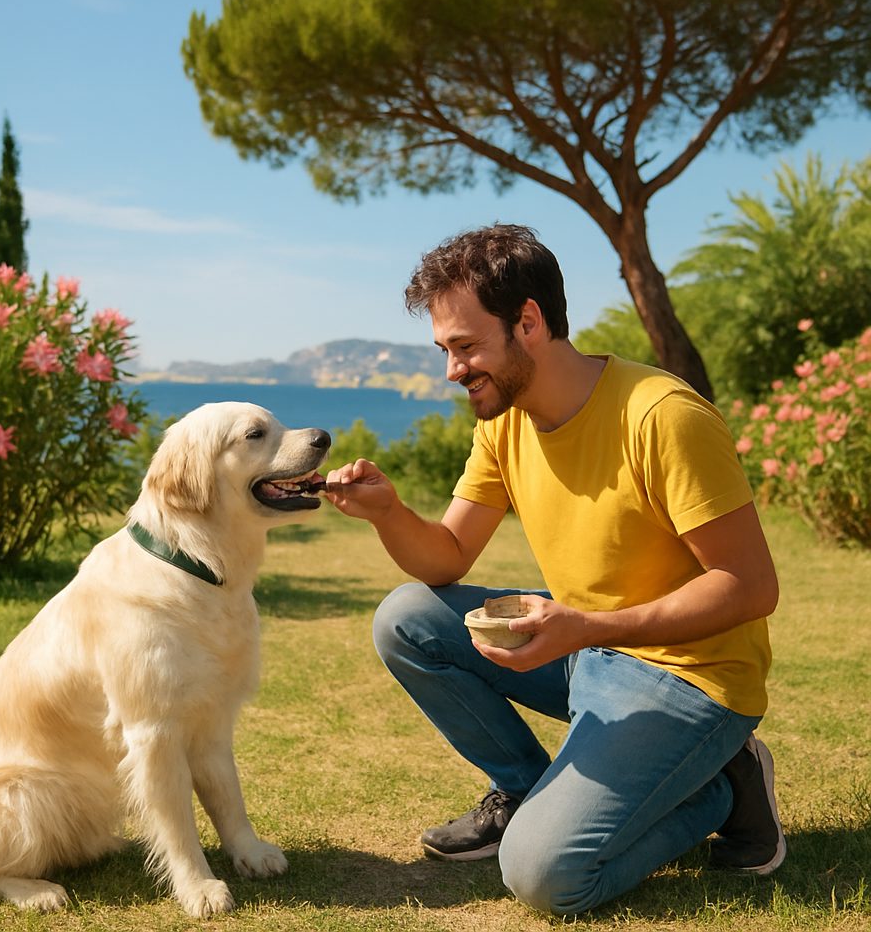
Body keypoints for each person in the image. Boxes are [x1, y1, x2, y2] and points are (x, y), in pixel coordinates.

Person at [324, 224, 785, 916]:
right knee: (406, 618)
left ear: (529, 322)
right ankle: (524, 791)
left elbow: (750, 586)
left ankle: (725, 788)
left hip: (692, 677)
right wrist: (388, 512)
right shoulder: (503, 423)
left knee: (543, 876)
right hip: (586, 645)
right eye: (445, 350)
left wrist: (589, 627)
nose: (452, 370)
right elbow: (446, 556)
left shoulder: (662, 417)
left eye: (465, 346)